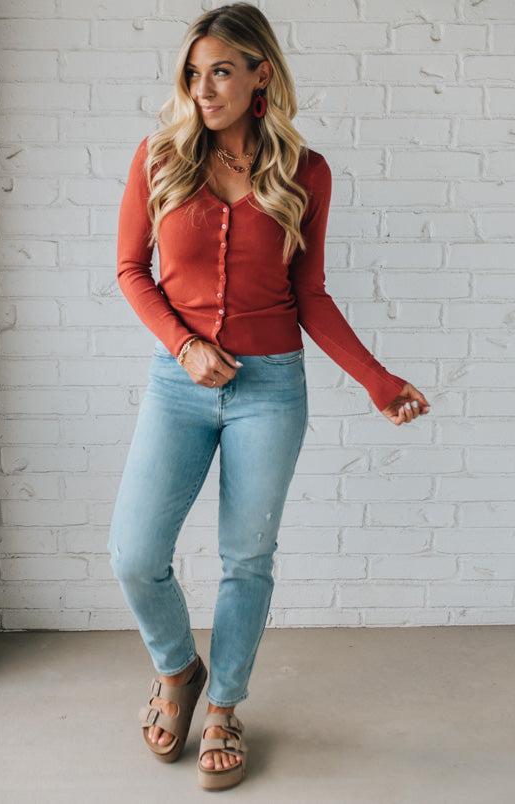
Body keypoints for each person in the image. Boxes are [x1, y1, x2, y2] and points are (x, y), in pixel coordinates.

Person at [107, 2, 431, 791]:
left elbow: (309, 293)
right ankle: (178, 671)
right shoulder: (158, 156)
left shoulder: (305, 170)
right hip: (177, 387)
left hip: (272, 390)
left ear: (261, 74)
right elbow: (131, 272)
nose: (203, 87)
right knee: (135, 554)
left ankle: (224, 706)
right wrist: (184, 347)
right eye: (193, 72)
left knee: (247, 559)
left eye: (220, 69)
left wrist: (377, 380)